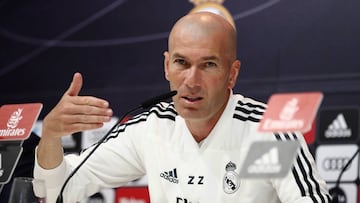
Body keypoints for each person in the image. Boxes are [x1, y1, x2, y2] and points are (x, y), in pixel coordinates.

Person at [34, 12, 332, 203]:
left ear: (233, 73)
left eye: (209, 65)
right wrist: (50, 135)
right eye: (181, 63)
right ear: (166, 66)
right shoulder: (151, 126)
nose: (192, 80)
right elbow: (56, 190)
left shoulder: (267, 131)